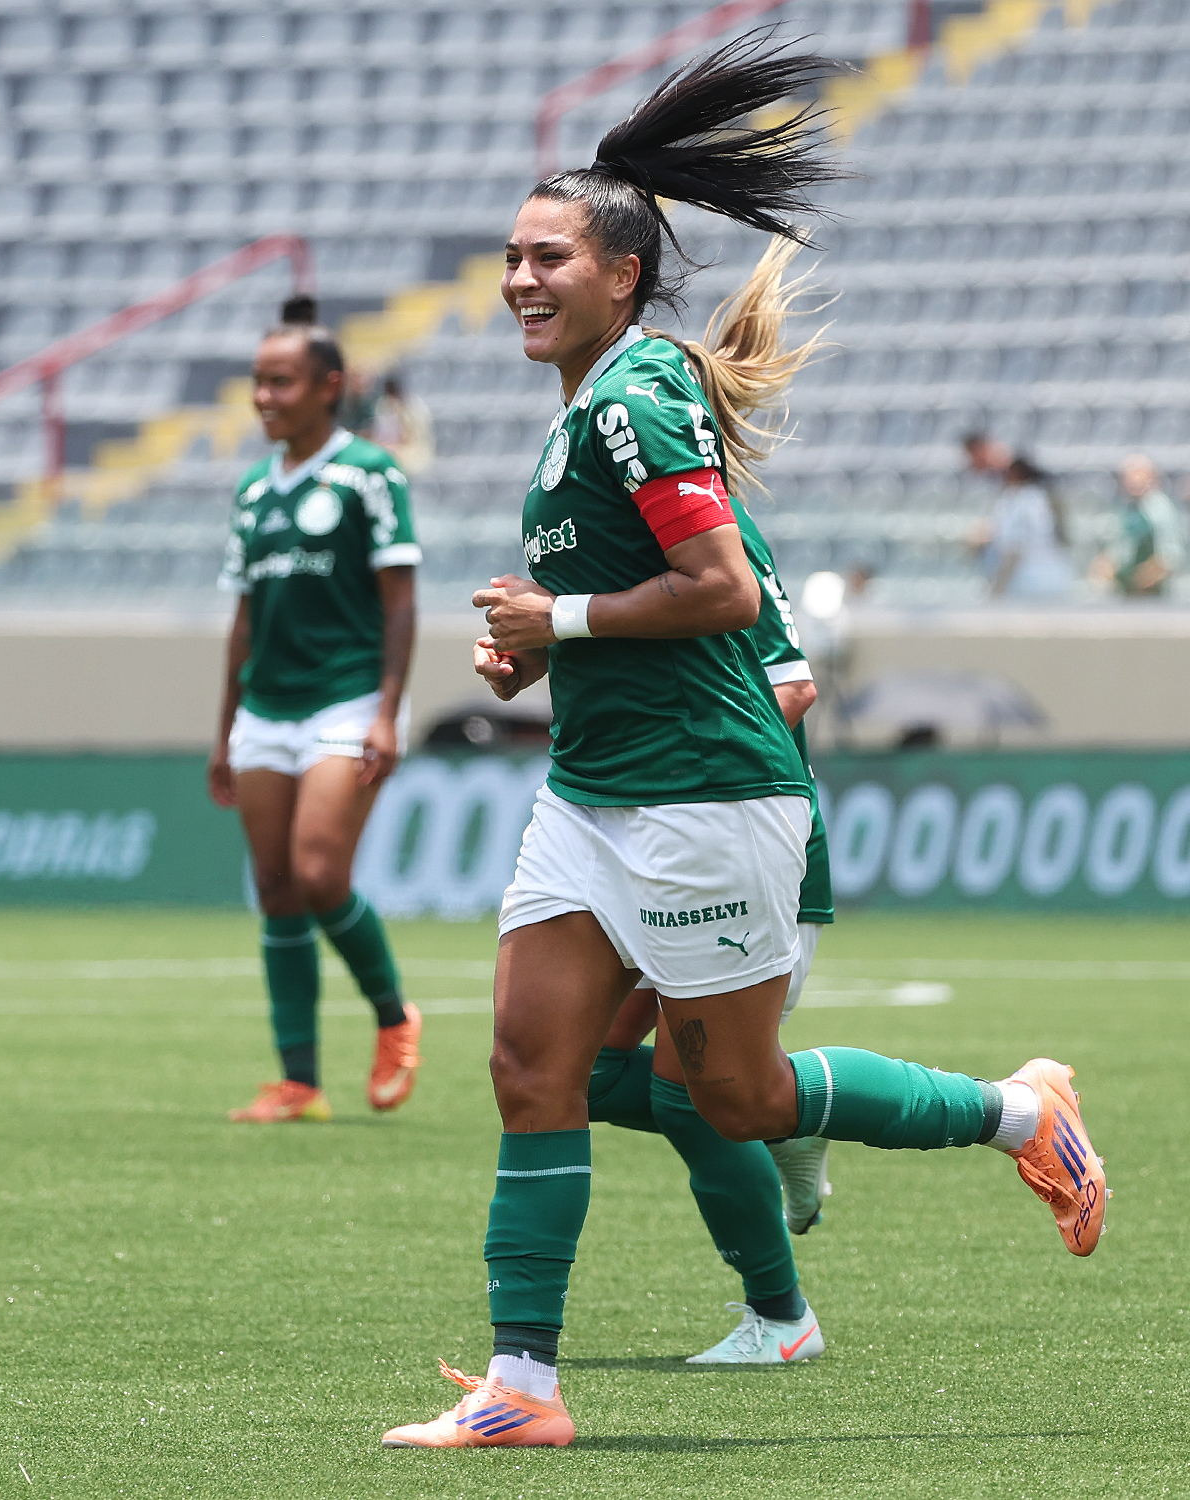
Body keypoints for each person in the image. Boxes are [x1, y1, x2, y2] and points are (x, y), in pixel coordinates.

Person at [381, 36, 1107, 1453]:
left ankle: (1021, 1111)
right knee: (533, 1069)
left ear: (623, 275)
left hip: (708, 801)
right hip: (594, 795)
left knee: (735, 1095)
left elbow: (716, 591)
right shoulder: (586, 407)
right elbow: (653, 609)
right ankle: (522, 1389)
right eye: (512, 258)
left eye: (549, 260)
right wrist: (540, 642)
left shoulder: (645, 394)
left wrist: (562, 615)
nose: (521, 280)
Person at [588, 452, 836, 1367]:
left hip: (724, 831)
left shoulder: (715, 536)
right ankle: (784, 1107)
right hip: (642, 837)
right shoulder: (614, 541)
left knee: (685, 1088)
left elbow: (792, 683)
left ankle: (781, 1318)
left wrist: (678, 764)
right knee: (583, 1076)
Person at [209, 295, 423, 1124]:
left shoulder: (371, 473)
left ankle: (392, 1015)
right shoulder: (253, 490)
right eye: (258, 383)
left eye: (281, 382)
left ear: (329, 386)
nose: (265, 397)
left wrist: (387, 712)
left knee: (318, 873)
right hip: (266, 708)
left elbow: (400, 601)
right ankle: (298, 1080)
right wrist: (225, 726)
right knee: (274, 887)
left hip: (347, 698)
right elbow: (241, 620)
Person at [975, 455, 1074, 599]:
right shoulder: (1020, 497)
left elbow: (1017, 539)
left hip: (1033, 572)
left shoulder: (1028, 499)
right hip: (1037, 573)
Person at [1090, 453, 1186, 597]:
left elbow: (1172, 554)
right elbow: (1119, 548)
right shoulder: (1124, 507)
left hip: (1157, 590)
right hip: (1126, 587)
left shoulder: (1161, 508)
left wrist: (1148, 574)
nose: (1135, 481)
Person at [371, 372, 435, 477]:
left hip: (414, 453)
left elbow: (415, 438)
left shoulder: (414, 408)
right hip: (392, 449)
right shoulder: (384, 405)